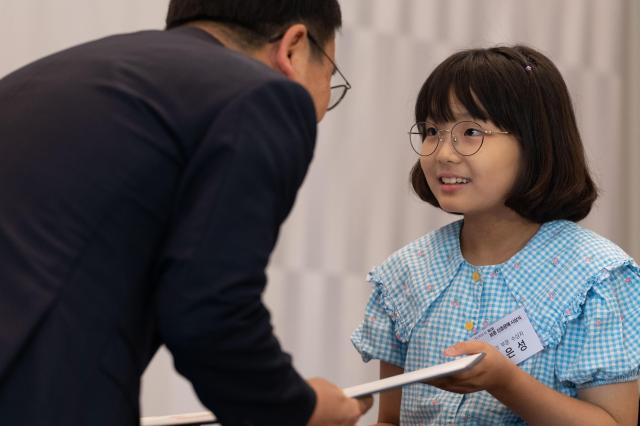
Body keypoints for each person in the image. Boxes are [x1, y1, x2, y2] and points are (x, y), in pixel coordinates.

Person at [0, 1, 372, 425]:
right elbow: (209, 312)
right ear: (294, 47)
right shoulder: (260, 95)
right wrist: (300, 409)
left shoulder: (46, 77)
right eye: (329, 77)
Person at [351, 45, 640, 425]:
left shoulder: (597, 277)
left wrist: (506, 382)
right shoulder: (406, 272)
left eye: (471, 132)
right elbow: (392, 419)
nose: (443, 153)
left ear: (535, 142)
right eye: (431, 131)